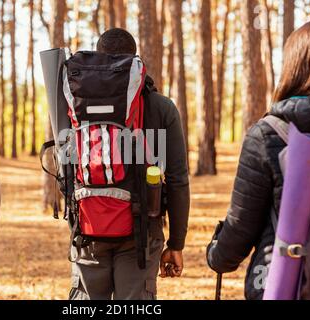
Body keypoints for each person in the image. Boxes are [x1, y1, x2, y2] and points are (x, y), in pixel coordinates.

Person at [69, 28, 190, 300]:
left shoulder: (76, 104)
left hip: (88, 227)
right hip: (141, 233)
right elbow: (178, 179)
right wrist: (176, 243)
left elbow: (67, 169)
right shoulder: (161, 107)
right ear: (134, 60)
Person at [206, 21, 310, 300]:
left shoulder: (270, 133)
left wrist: (217, 256)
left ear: (294, 66)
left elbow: (242, 225)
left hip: (285, 280)